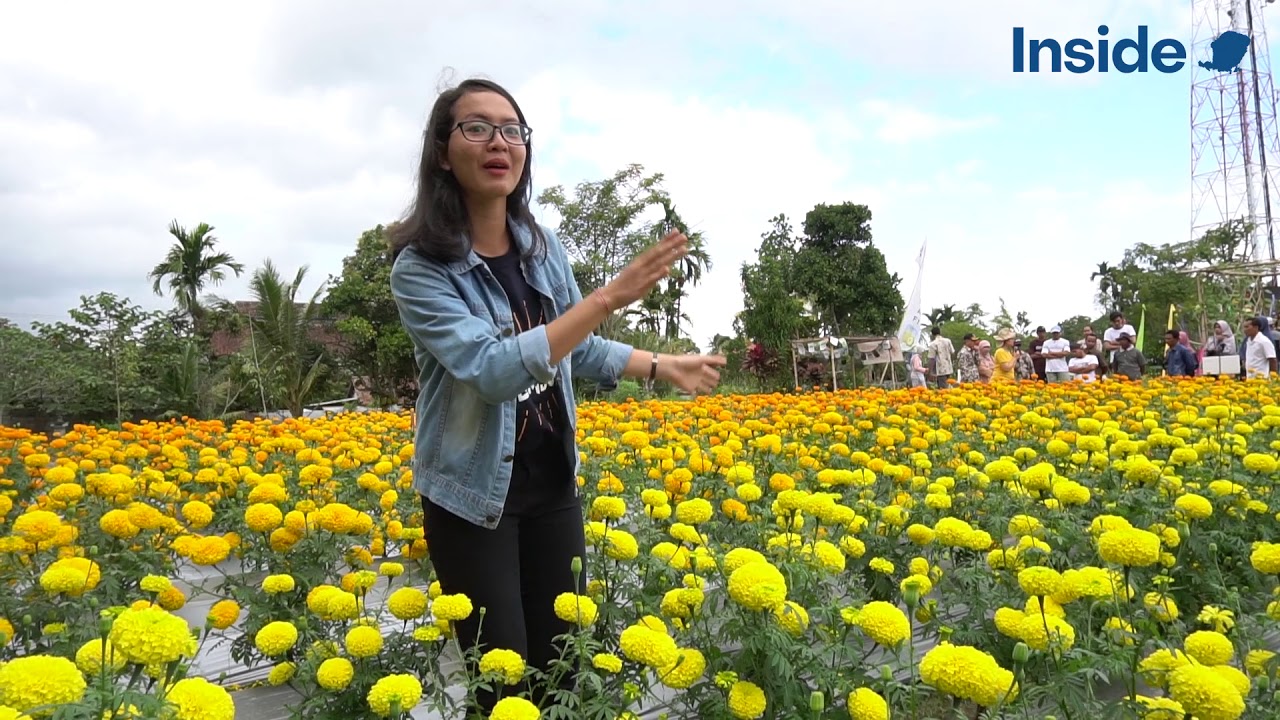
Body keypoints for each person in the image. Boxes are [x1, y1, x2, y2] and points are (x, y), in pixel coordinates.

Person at [387, 78, 727, 713]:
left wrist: (660, 364)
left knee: (563, 675)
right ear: (441, 151)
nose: (499, 142)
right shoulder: (421, 268)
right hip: (472, 498)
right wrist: (604, 300)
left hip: (552, 487)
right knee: (504, 686)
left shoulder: (542, 249)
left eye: (512, 130)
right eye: (477, 127)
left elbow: (574, 348)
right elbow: (490, 369)